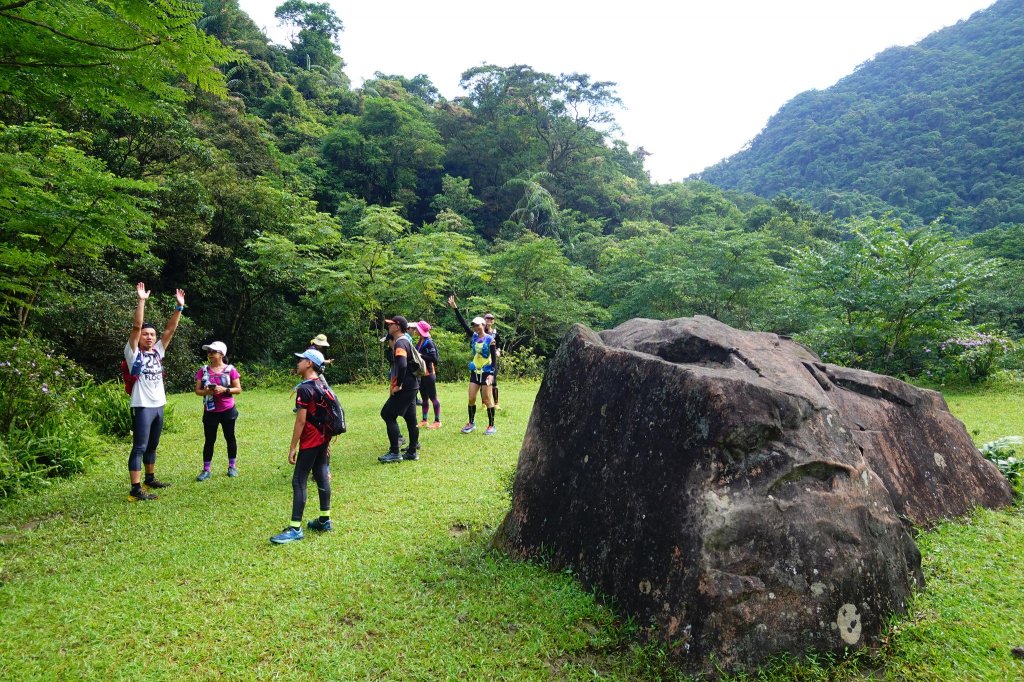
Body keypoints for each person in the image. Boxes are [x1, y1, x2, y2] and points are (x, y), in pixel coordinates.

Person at [124, 282, 184, 501]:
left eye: (152, 334)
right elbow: (136, 327)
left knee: (153, 444)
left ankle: (150, 478)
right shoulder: (132, 353)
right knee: (139, 446)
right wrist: (141, 300)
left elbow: (170, 330)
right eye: (146, 334)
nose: (149, 337)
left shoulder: (158, 351)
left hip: (158, 404)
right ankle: (136, 489)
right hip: (142, 405)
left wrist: (179, 308)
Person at [270, 348, 333, 544]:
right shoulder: (322, 385)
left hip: (311, 439)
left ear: (309, 364)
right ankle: (324, 520)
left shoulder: (305, 388)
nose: (297, 363)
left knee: (299, 480)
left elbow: (300, 422)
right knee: (322, 474)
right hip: (323, 438)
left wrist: (292, 447)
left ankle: (295, 528)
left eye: (301, 360)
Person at [447, 296, 496, 435]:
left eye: (478, 325)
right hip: (475, 372)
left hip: (486, 372)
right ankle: (471, 423)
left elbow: (494, 359)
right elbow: (462, 323)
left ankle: (491, 425)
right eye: (474, 325)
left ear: (483, 325)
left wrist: (492, 374)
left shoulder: (490, 340)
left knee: (487, 399)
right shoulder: (474, 336)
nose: (476, 327)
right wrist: (455, 308)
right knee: (471, 398)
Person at [193, 341, 242, 481]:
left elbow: (238, 389)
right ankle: (206, 470)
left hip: (228, 410)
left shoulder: (231, 370)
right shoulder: (203, 371)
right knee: (209, 440)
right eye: (208, 352)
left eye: (213, 352)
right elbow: (197, 391)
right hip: (210, 410)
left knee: (230, 437)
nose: (210, 355)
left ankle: (232, 466)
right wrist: (206, 391)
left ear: (221, 354)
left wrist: (224, 389)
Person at [378, 315, 420, 463]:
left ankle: (395, 452)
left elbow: (402, 365)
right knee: (410, 418)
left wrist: (398, 385)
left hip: (406, 386)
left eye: (391, 324)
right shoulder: (406, 341)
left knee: (387, 414)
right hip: (413, 385)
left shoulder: (400, 343)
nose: (389, 327)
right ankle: (412, 452)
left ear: (397, 327)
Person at [411, 320, 441, 429]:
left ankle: (437, 421)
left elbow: (434, 359)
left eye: (417, 328)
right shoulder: (420, 340)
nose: (415, 330)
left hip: (429, 374)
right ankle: (424, 420)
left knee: (433, 398)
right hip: (421, 374)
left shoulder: (429, 342)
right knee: (424, 398)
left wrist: (420, 355)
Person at [483, 312, 502, 409]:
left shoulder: (495, 333)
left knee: (494, 381)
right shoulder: (480, 332)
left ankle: (496, 403)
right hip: (482, 360)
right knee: (482, 381)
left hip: (492, 360)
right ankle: (484, 403)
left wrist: (498, 351)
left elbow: (499, 346)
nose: (489, 321)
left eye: (491, 319)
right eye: (487, 319)